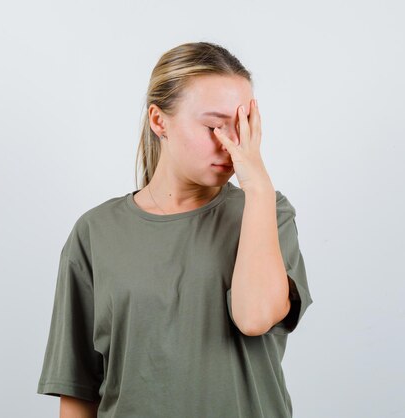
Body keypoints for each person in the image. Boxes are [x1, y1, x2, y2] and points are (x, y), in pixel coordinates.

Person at [36, 41, 314, 418]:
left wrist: (258, 186)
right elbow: (78, 387)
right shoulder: (95, 232)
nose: (231, 145)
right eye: (215, 125)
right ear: (158, 120)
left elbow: (255, 317)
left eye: (241, 127)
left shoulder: (267, 211)